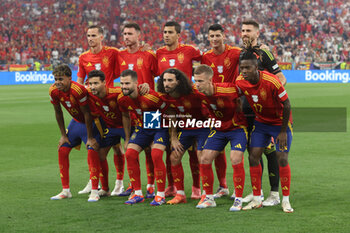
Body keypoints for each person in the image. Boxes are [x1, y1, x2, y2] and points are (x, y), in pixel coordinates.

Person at [236, 47, 293, 213]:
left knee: (282, 158)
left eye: (247, 68)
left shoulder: (272, 81)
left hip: (279, 124)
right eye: (242, 68)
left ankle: (285, 200)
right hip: (261, 124)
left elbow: (287, 104)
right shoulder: (240, 80)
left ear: (256, 68)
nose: (244, 71)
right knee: (253, 157)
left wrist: (282, 131)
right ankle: (256, 198)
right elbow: (236, 94)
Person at [240, 19, 287, 206]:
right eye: (243, 30)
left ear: (257, 33)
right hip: (247, 111)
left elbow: (281, 77)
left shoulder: (264, 52)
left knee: (270, 152)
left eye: (248, 30)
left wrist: (269, 97)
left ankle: (275, 194)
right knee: (252, 152)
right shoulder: (243, 53)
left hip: (264, 114)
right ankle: (256, 192)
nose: (244, 33)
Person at [77, 25, 125, 196]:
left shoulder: (112, 52)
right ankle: (94, 180)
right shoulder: (83, 57)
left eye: (94, 35)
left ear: (102, 37)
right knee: (95, 146)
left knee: (117, 147)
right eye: (88, 35)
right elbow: (80, 81)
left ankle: (119, 182)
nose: (90, 38)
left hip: (112, 103)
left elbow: (123, 67)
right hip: (95, 106)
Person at [156, 21, 202, 197]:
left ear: (178, 35)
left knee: (193, 149)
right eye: (164, 32)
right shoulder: (158, 53)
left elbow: (206, 61)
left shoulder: (189, 50)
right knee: (165, 146)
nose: (166, 35)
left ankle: (197, 187)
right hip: (165, 105)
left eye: (169, 32)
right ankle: (170, 185)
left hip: (189, 106)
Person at [192, 64, 247, 211]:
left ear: (210, 80)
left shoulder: (228, 89)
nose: (197, 84)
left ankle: (238, 199)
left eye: (200, 81)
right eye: (195, 80)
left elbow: (247, 93)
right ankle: (209, 198)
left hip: (237, 128)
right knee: (204, 158)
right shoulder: (196, 93)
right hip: (218, 129)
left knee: (235, 158)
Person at [157, 68, 210, 204]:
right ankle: (180, 195)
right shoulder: (165, 96)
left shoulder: (194, 92)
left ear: (178, 82)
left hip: (203, 128)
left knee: (201, 157)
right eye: (164, 80)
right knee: (174, 157)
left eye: (170, 80)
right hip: (186, 130)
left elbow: (210, 103)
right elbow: (172, 115)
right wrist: (173, 137)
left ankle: (206, 194)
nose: (166, 84)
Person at [49, 64, 101, 202]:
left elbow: (87, 114)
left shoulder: (78, 90)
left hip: (91, 122)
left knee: (92, 150)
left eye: (61, 79)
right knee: (62, 150)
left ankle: (95, 190)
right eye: (55, 79)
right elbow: (58, 112)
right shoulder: (53, 91)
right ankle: (65, 190)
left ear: (69, 78)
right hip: (76, 122)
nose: (57, 82)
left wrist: (90, 137)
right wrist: (63, 135)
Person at [201, 24, 242, 199]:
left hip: (233, 103)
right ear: (208, 38)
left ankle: (243, 190)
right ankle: (222, 186)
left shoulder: (235, 53)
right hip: (214, 107)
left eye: (218, 35)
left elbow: (251, 57)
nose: (215, 39)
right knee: (215, 151)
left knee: (239, 154)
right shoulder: (205, 57)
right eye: (212, 36)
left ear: (224, 36)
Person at [118, 69, 170, 206]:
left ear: (136, 83)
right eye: (122, 83)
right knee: (129, 153)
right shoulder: (122, 99)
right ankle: (137, 194)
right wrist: (127, 139)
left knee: (156, 154)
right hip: (143, 128)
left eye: (127, 83)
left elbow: (169, 110)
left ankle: (160, 195)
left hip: (159, 128)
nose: (124, 87)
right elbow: (125, 116)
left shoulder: (150, 96)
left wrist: (173, 134)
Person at [118, 23, 159, 197]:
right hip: (131, 107)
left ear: (138, 35)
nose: (126, 36)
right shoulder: (119, 55)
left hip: (149, 108)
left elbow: (159, 76)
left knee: (150, 148)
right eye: (124, 33)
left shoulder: (149, 54)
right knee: (131, 148)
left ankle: (151, 184)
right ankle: (133, 185)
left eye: (130, 33)